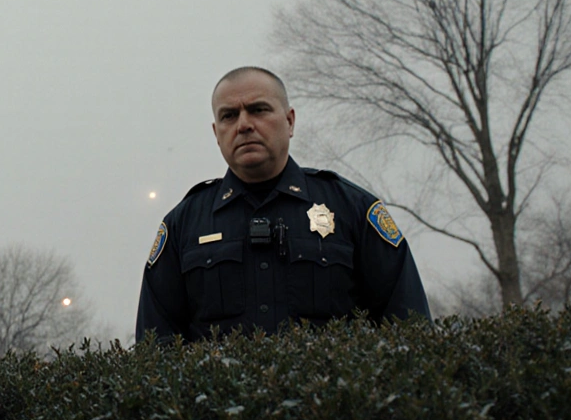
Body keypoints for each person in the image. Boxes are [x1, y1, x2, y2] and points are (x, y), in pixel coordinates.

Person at [136, 66, 430, 343]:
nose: (244, 125)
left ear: (289, 121)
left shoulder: (351, 208)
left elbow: (408, 327)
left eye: (258, 110)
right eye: (229, 116)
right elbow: (155, 344)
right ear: (216, 133)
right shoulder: (184, 224)